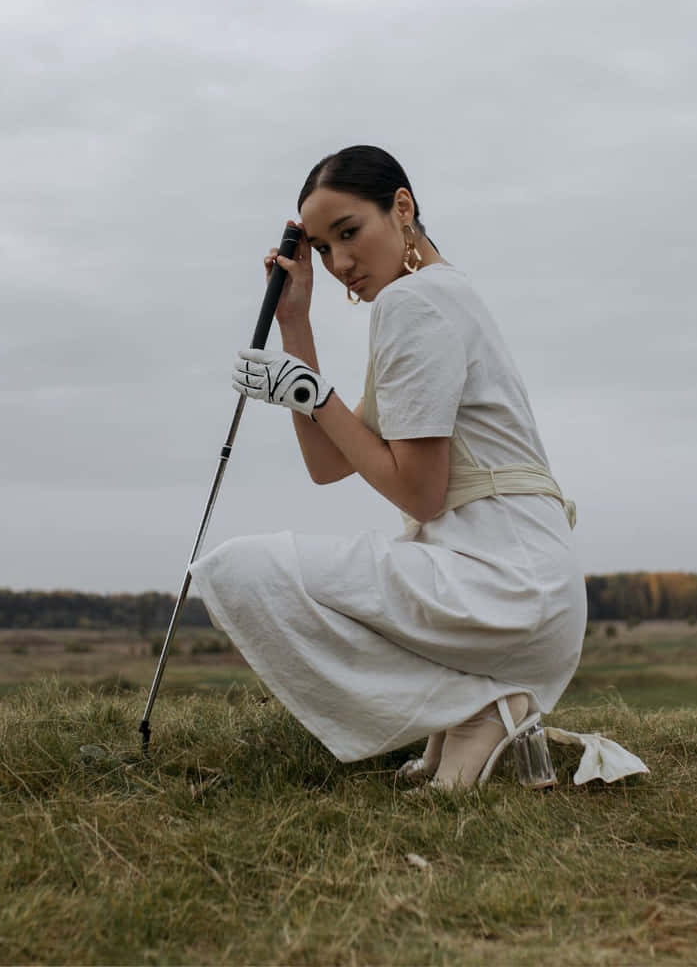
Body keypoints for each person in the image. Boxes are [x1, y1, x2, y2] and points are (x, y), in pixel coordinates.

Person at [194, 144, 595, 790]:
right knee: (266, 571)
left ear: (401, 207)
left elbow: (420, 493)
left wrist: (311, 394)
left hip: (499, 585)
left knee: (237, 571)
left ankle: (475, 706)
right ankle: (475, 709)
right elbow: (329, 464)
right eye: (322, 249)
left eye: (349, 233)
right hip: (524, 589)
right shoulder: (442, 294)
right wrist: (298, 325)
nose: (340, 263)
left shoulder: (414, 305)